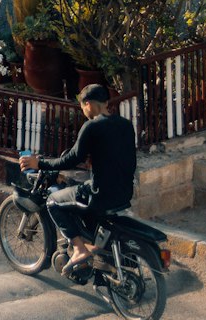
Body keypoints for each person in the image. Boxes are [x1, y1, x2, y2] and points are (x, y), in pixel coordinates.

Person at [20, 83, 136, 269]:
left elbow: (72, 159)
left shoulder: (92, 126)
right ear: (106, 102)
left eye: (82, 107)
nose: (83, 111)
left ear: (88, 104)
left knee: (53, 202)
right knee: (80, 188)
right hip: (124, 193)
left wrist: (39, 163)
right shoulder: (126, 125)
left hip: (100, 195)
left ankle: (79, 248)